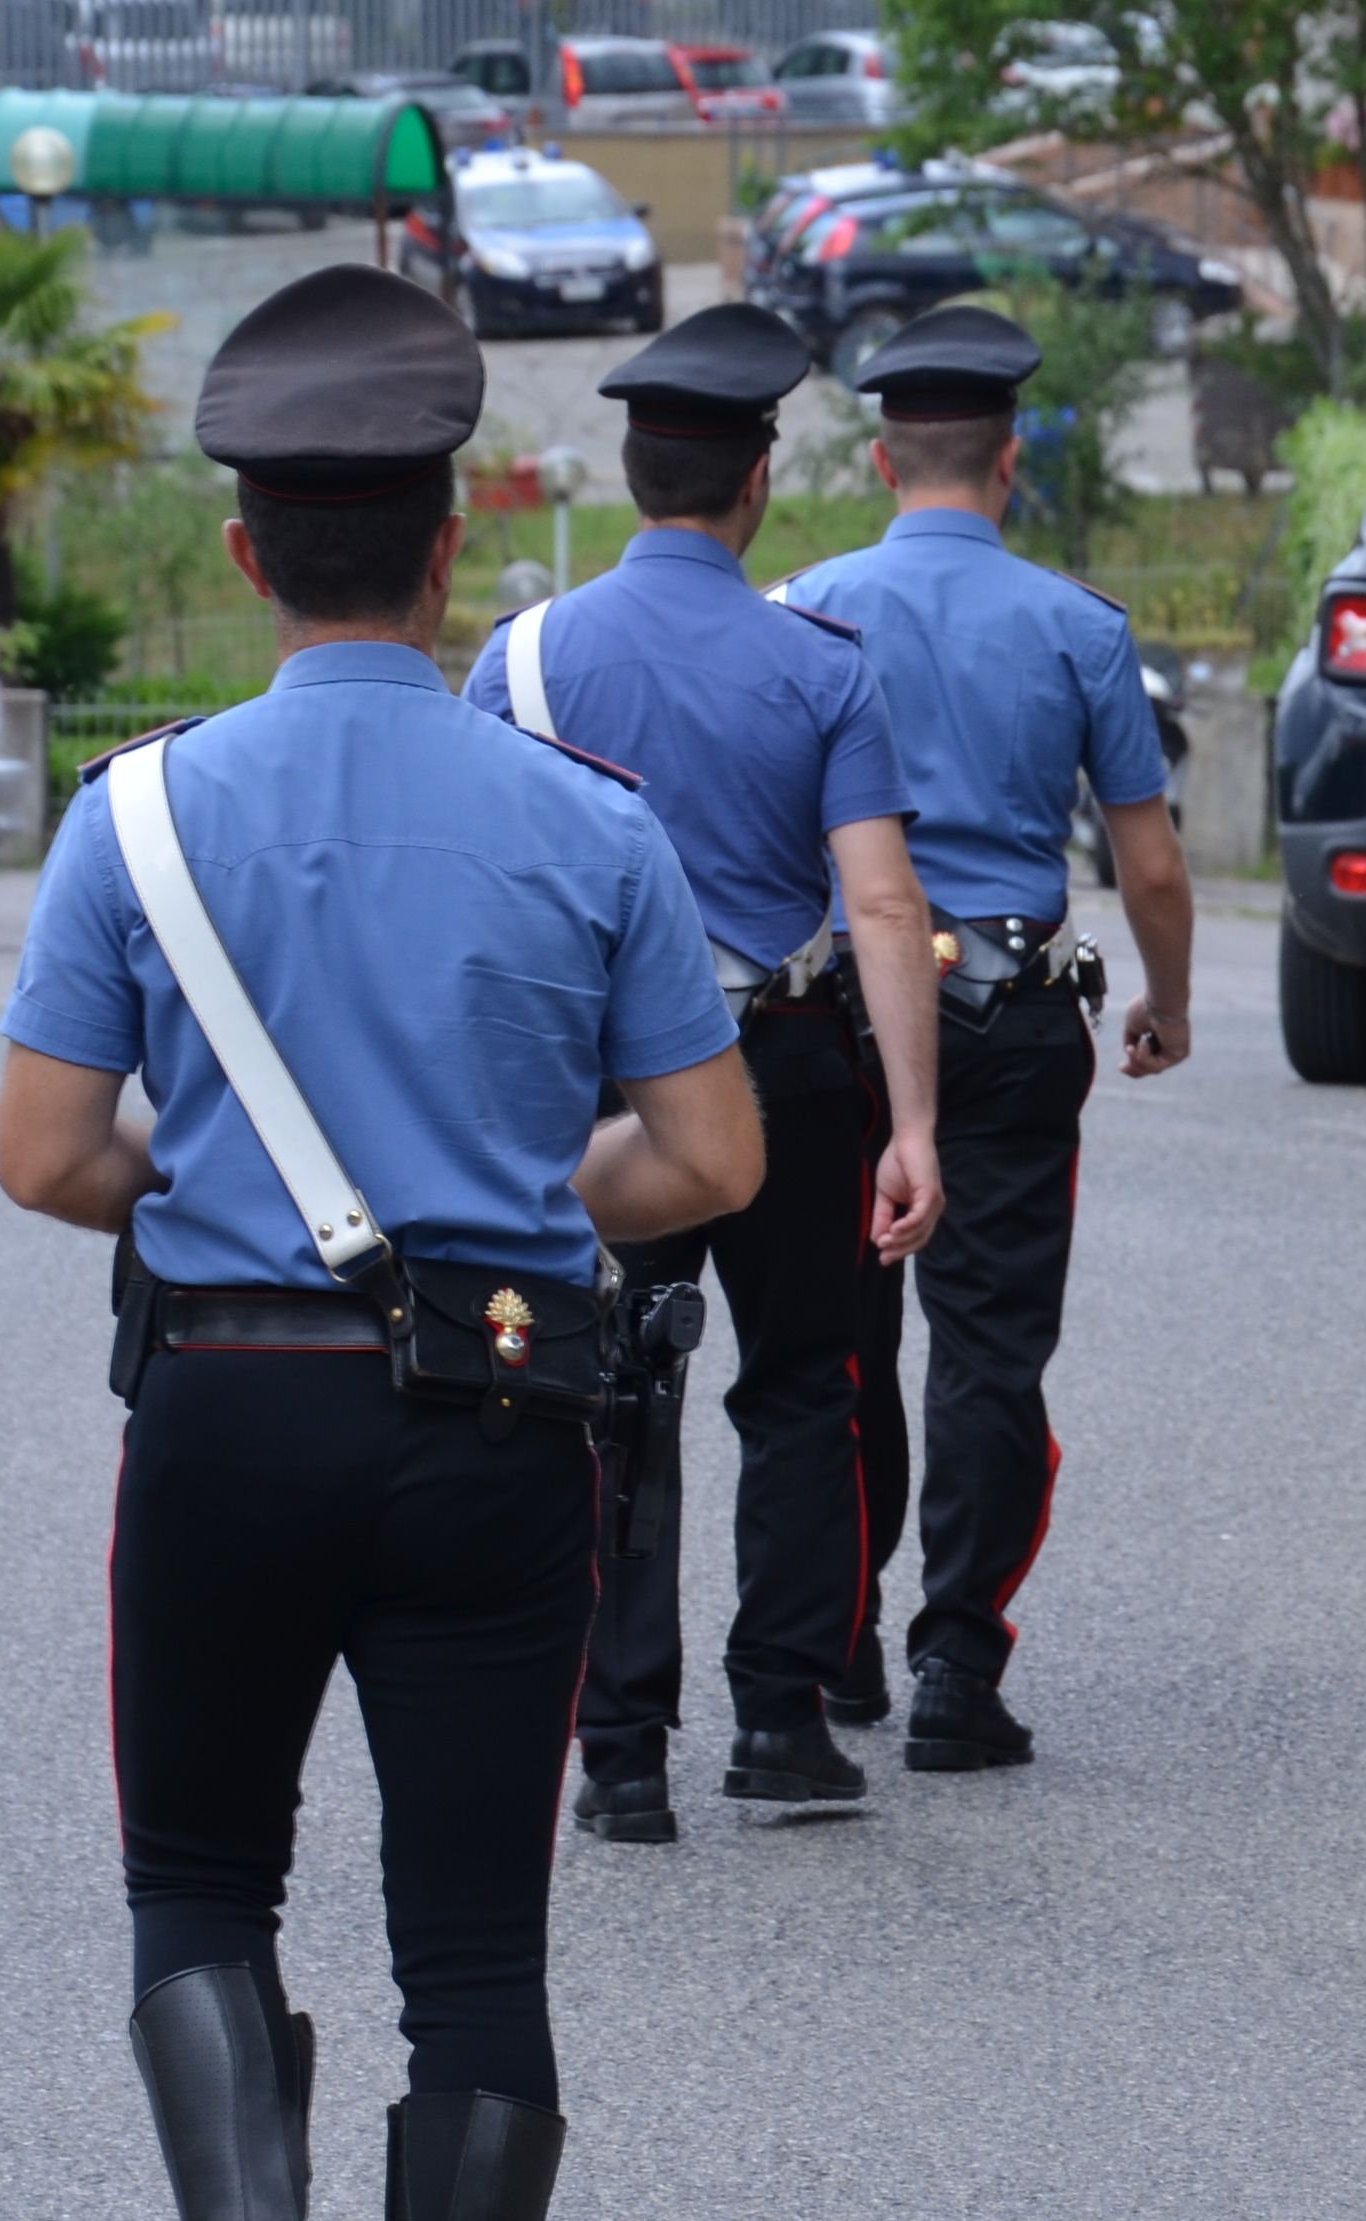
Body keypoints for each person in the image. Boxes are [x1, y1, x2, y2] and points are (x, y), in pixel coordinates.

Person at [0, 266, 764, 2221]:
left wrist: (212, 1204)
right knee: (476, 1952)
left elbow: (44, 1157)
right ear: (452, 552)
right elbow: (707, 1160)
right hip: (494, 1433)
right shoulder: (587, 828)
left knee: (200, 1885)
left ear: (247, 559)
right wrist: (538, 1213)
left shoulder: (135, 819)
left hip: (225, 1412)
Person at [465, 301, 949, 1834]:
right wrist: (916, 1124)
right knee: (807, 1385)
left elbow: (480, 897)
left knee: (604, 1395)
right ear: (756, 484)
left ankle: (614, 1754)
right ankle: (782, 1723)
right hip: (786, 1067)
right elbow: (881, 902)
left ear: (630, 477)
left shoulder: (522, 656)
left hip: (596, 1081)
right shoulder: (822, 668)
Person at [777, 302, 1195, 1771]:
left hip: (838, 1016)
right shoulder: (1081, 628)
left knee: (839, 1344)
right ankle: (959, 1659)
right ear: (1008, 463)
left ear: (886, 462)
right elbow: (1147, 863)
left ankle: (835, 1651)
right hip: (1012, 1017)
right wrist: (1169, 1004)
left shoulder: (807, 610)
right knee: (989, 1354)